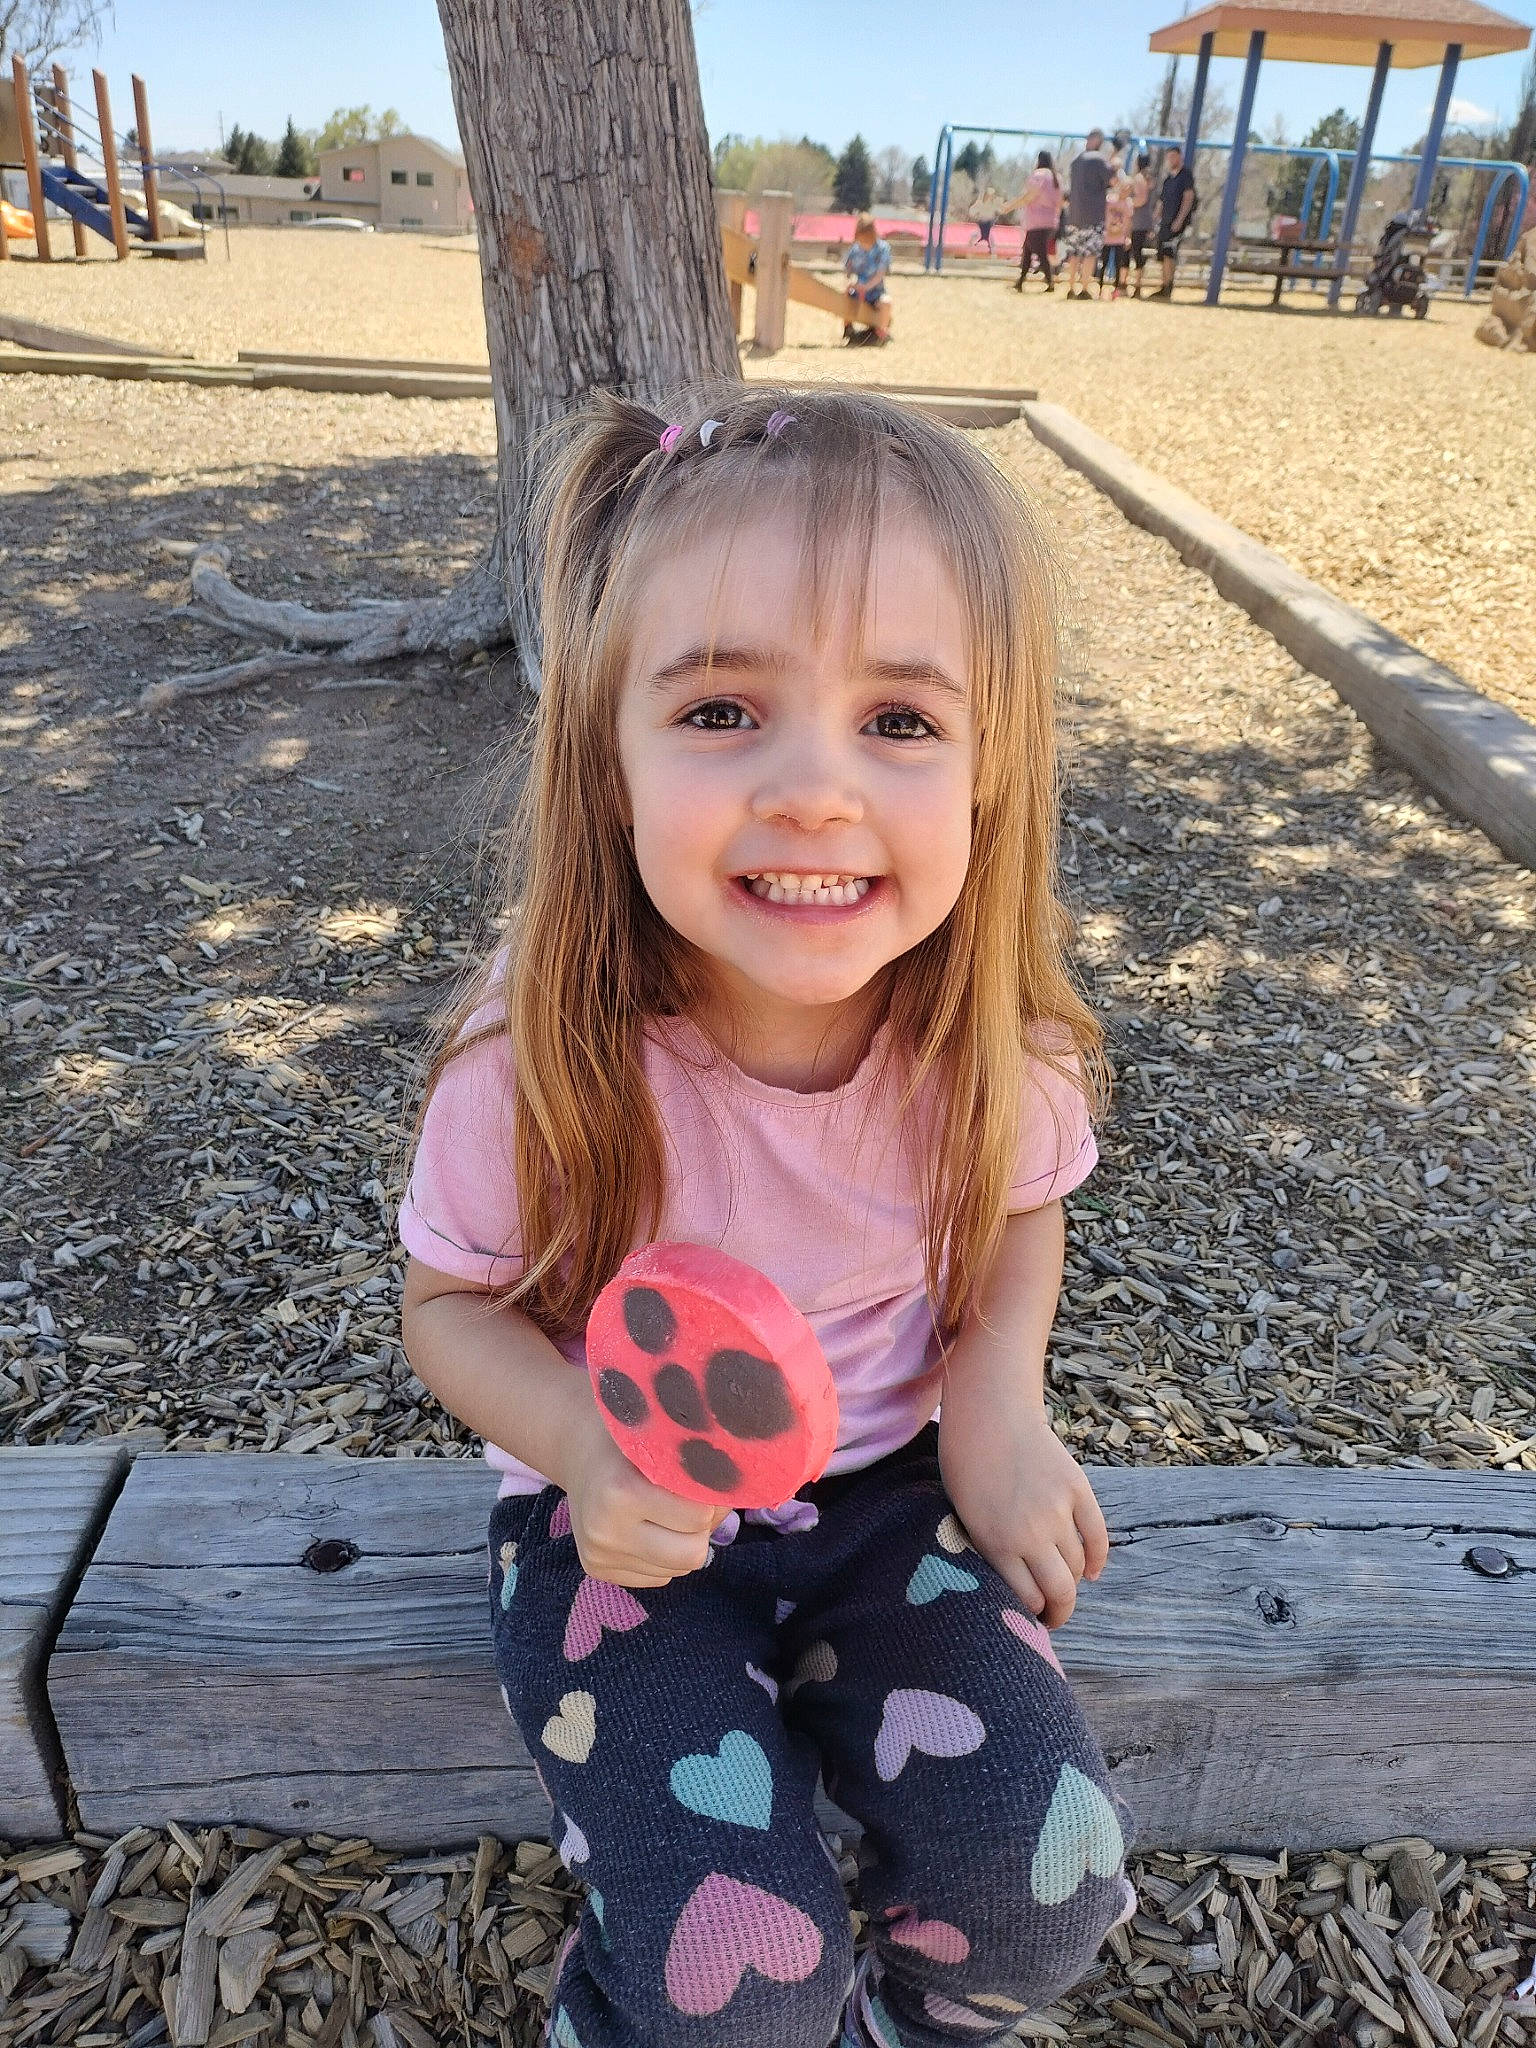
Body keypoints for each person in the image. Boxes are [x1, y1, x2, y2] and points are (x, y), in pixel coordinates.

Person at [399, 385, 1135, 2048]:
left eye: (901, 719)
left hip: (886, 1501)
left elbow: (1022, 1212)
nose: (813, 787)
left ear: (993, 772)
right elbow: (446, 1307)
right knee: (739, 1979)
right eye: (723, 709)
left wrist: (996, 1403)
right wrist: (586, 1447)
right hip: (616, 1526)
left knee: (1047, 1884)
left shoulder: (982, 1045)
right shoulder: (537, 1056)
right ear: (607, 760)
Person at [1062, 128, 1111, 299]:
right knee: (1090, 253)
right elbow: (1111, 179)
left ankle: (1070, 287)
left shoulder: (1076, 161)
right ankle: (1084, 288)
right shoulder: (1100, 160)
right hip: (1093, 215)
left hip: (1074, 215)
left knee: (1074, 253)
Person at [1149, 145, 1198, 300]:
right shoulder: (1168, 179)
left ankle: (1169, 286)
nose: (1170, 160)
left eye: (1173, 156)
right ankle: (1164, 285)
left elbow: (1188, 198)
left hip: (1176, 222)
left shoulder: (1186, 176)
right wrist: (1154, 220)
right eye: (1168, 157)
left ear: (1179, 157)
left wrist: (1180, 220)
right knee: (1163, 254)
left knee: (1170, 253)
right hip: (1165, 221)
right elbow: (1161, 202)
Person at [1010, 150, 1061, 292]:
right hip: (1051, 221)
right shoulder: (1056, 178)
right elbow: (1060, 201)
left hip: (1036, 221)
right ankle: (1020, 281)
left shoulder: (1039, 175)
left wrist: (1010, 206)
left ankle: (1050, 282)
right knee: (1027, 251)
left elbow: (1029, 196)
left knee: (1040, 252)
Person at [842, 210, 892, 344]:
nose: (864, 242)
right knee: (844, 297)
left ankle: (880, 333)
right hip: (857, 292)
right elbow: (848, 271)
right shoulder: (855, 249)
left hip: (875, 292)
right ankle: (848, 328)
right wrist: (851, 283)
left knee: (886, 302)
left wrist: (866, 287)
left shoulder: (883, 249)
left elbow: (880, 273)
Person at [1099, 171, 1133, 297]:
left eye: (1128, 189)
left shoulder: (1128, 204)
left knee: (1118, 264)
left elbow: (1129, 222)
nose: (1125, 191)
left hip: (1120, 237)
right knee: (1104, 263)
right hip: (1107, 237)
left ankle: (1116, 290)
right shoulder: (1109, 200)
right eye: (1124, 188)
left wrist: (1128, 237)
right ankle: (1100, 288)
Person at [1128, 152, 1154, 295]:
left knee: (1136, 252)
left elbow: (1140, 199)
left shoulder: (1139, 178)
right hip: (1146, 220)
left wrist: (1127, 202)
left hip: (1138, 221)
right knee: (1139, 252)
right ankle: (1138, 282)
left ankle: (1137, 284)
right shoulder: (1150, 179)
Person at [969, 183, 1000, 255]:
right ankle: (971, 245)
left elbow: (998, 210)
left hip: (989, 222)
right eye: (988, 195)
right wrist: (975, 214)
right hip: (982, 222)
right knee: (978, 234)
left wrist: (999, 211)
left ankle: (992, 249)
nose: (989, 197)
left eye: (991, 195)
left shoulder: (993, 204)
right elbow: (973, 210)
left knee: (989, 236)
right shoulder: (980, 202)